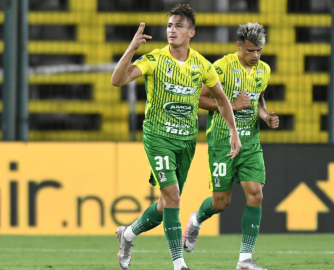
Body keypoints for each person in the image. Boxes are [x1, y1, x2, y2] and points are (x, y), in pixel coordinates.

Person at [111, 4, 242, 270]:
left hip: (186, 142)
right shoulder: (155, 59)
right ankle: (178, 264)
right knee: (173, 197)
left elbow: (222, 100)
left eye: (178, 26)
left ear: (191, 32)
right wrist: (132, 47)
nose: (172, 30)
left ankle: (127, 235)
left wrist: (233, 133)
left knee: (163, 208)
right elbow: (117, 80)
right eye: (169, 25)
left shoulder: (202, 65)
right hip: (157, 137)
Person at [182, 22, 279, 270]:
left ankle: (244, 260)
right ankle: (196, 219)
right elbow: (199, 97)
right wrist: (231, 105)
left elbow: (258, 98)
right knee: (221, 203)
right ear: (238, 46)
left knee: (256, 195)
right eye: (250, 51)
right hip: (222, 142)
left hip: (250, 142)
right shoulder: (222, 67)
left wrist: (266, 116)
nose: (255, 56)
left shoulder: (264, 70)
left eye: (259, 50)